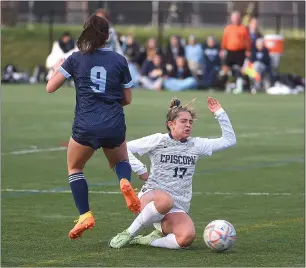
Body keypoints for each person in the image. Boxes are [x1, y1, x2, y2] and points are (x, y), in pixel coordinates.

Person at [46, 14, 140, 240]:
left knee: (75, 168)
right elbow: (127, 99)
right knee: (121, 161)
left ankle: (85, 214)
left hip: (85, 124)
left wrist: (57, 67)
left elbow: (50, 87)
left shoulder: (76, 58)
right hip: (113, 123)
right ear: (108, 36)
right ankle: (124, 181)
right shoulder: (119, 60)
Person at [109, 96, 237, 249]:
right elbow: (124, 148)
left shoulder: (196, 145)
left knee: (186, 238)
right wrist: (140, 169)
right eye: (183, 121)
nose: (188, 125)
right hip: (151, 197)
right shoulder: (158, 140)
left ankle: (149, 240)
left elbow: (229, 140)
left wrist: (219, 113)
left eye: (190, 122)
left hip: (177, 205)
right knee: (165, 200)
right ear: (171, 124)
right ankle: (129, 233)